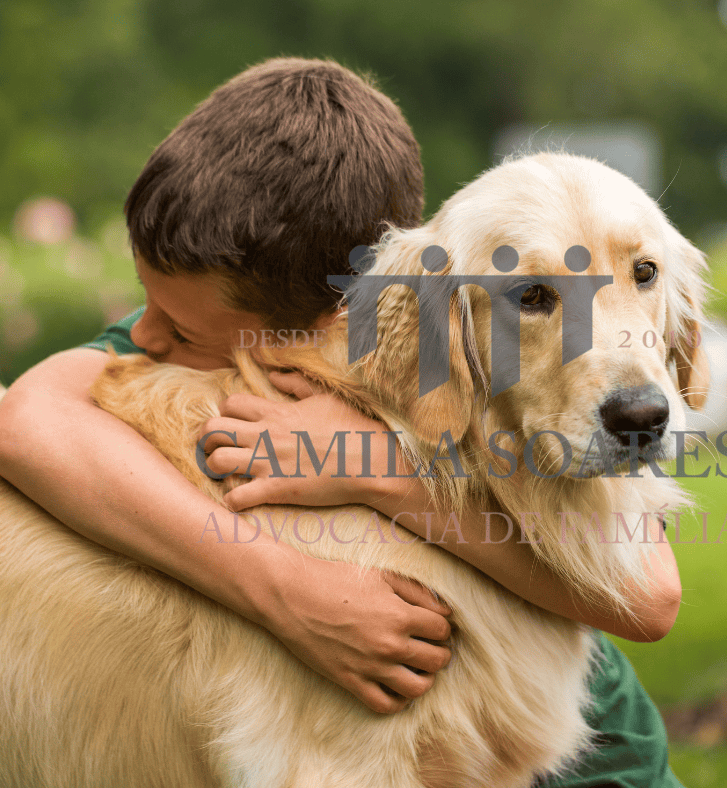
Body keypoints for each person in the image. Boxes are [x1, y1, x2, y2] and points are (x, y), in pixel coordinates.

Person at [0, 57, 684, 786]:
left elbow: (649, 595)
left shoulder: (410, 308)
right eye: (150, 305)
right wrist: (284, 587)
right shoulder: (217, 315)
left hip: (606, 758)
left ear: (316, 323)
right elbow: (22, 422)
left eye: (176, 322)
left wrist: (382, 474)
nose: (144, 337)